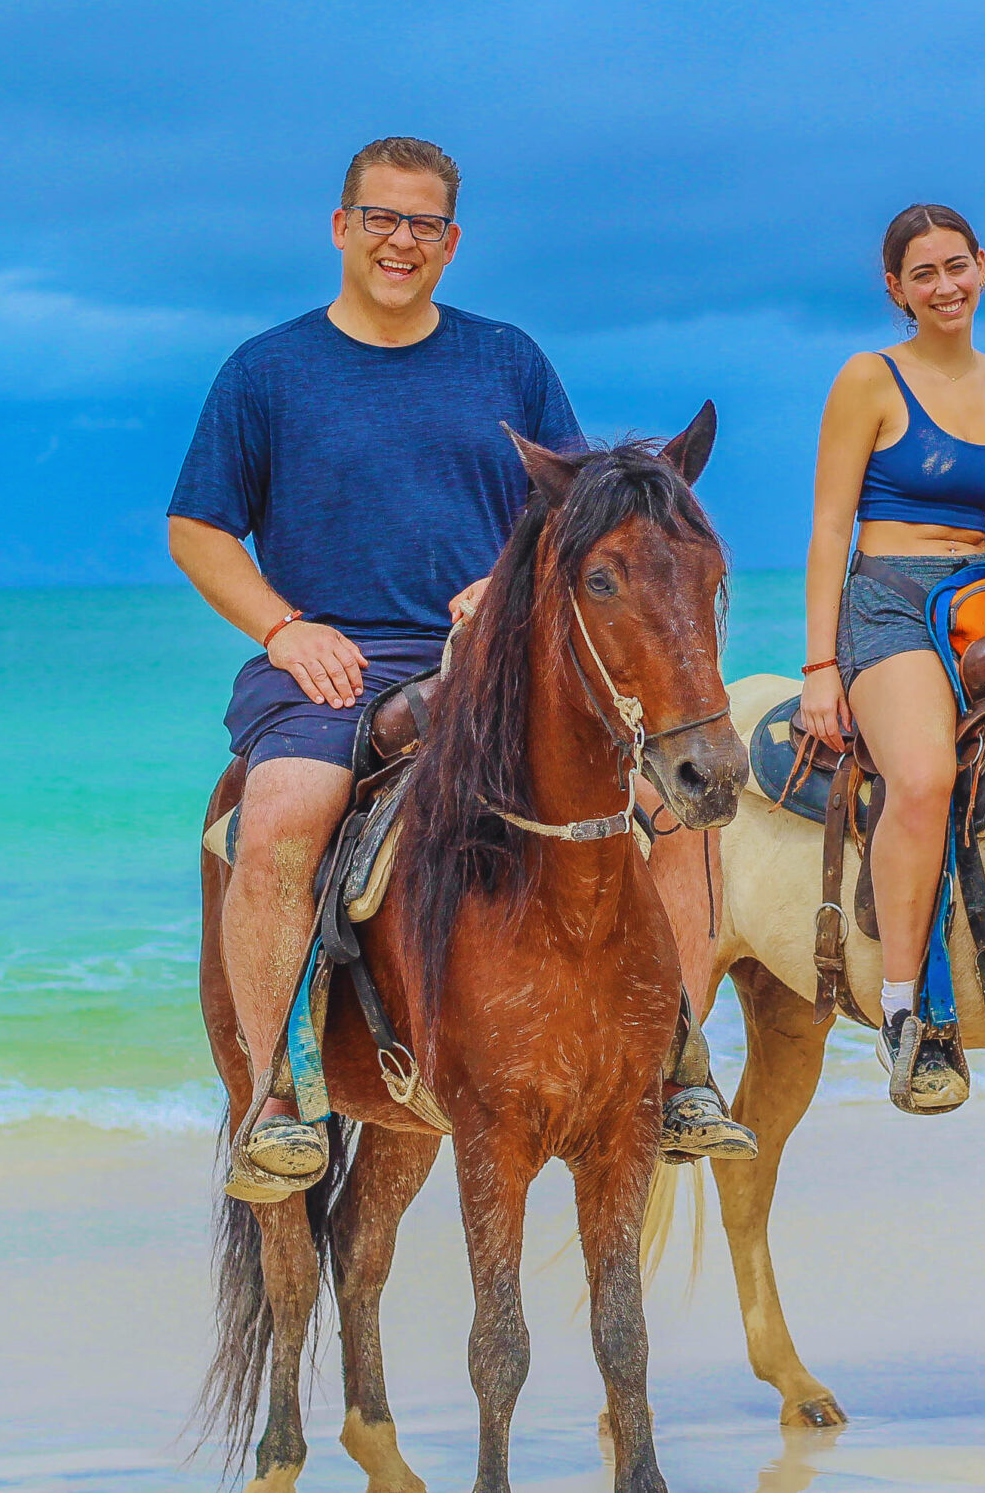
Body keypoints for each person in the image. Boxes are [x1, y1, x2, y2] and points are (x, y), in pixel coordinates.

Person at [169, 135, 754, 1198]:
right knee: (284, 812)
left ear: (453, 242)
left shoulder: (507, 360)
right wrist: (283, 630)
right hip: (335, 662)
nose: (403, 242)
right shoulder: (267, 370)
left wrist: (504, 583)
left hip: (498, 660)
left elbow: (587, 515)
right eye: (383, 219)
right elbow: (199, 530)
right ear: (341, 227)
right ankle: (280, 1096)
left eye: (425, 225)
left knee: (681, 813)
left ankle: (672, 1063)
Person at [798, 204, 985, 1114]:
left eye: (956, 266)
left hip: (982, 594)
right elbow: (829, 528)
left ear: (983, 267)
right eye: (922, 274)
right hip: (885, 599)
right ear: (896, 289)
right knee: (920, 778)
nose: (944, 286)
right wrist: (818, 666)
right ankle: (903, 1012)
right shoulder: (869, 378)